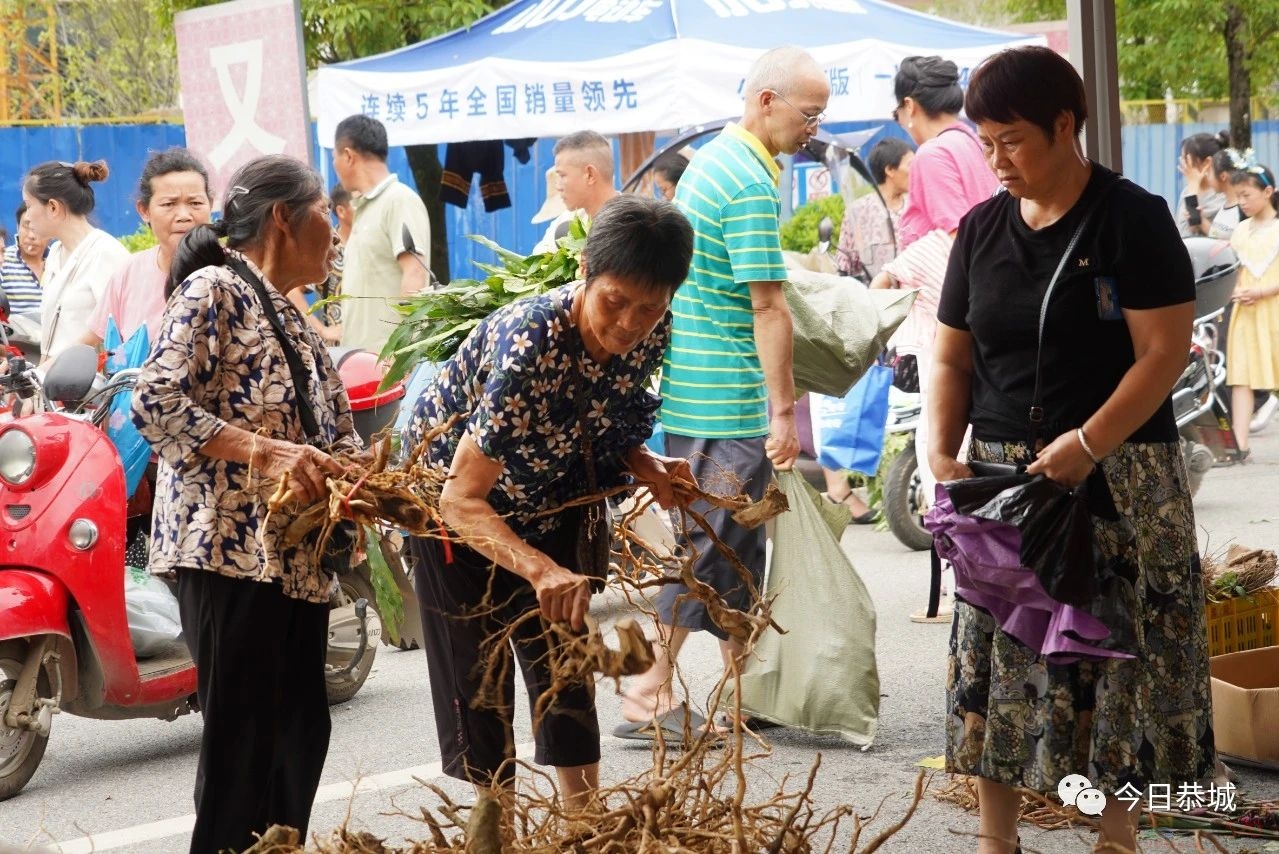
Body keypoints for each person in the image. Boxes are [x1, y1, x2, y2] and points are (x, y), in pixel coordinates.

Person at [932, 46, 1215, 854]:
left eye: (1011, 140)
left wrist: (1088, 443)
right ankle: (997, 837)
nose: (995, 161)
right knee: (998, 643)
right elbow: (950, 356)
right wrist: (941, 454)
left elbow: (1161, 353)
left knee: (1123, 648)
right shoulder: (980, 228)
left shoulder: (1131, 217)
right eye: (983, 141)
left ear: (1065, 125)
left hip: (1117, 469)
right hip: (1001, 475)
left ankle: (1116, 838)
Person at [403, 194, 694, 806]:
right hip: (457, 518)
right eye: (615, 302)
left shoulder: (651, 327)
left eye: (649, 308)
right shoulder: (529, 346)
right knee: (479, 687)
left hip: (555, 502)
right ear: (585, 268)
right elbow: (461, 498)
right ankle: (495, 837)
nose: (628, 324)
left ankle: (586, 830)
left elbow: (605, 421)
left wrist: (649, 464)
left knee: (566, 676)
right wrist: (539, 568)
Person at [131, 154, 360, 854]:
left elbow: (339, 431)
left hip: (292, 564)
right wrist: (264, 452)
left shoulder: (291, 317)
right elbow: (154, 402)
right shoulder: (214, 291)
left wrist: (367, 483)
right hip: (227, 556)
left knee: (299, 735)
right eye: (327, 212)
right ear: (286, 217)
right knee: (242, 752)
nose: (337, 231)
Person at [619, 45, 827, 736]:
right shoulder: (746, 182)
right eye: (808, 113)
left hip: (694, 390)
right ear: (765, 101)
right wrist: (782, 412)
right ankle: (642, 692)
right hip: (727, 396)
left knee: (732, 547)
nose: (813, 129)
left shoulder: (715, 160)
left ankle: (748, 691)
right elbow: (767, 308)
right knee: (708, 550)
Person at [876, 55, 998, 622]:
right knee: (970, 441)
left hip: (944, 321)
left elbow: (955, 240)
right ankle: (977, 575)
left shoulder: (933, 153)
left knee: (940, 450)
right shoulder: (975, 143)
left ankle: (963, 585)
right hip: (981, 315)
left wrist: (896, 268)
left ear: (908, 105)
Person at [83, 148, 211, 349]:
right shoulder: (128, 273)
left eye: (195, 203)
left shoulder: (233, 275)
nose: (184, 215)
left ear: (210, 205)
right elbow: (98, 343)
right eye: (169, 204)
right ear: (144, 211)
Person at [331, 114, 431, 354]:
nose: (335, 164)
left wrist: (399, 354)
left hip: (387, 364)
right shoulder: (365, 208)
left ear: (348, 156)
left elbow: (415, 272)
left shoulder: (399, 200)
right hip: (362, 362)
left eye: (335, 156)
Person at [21, 160, 130, 362]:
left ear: (53, 207)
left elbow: (117, 331)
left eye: (29, 206)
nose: (27, 217)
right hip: (55, 384)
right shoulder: (55, 252)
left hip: (94, 387)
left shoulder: (106, 253)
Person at [1225, 164, 1279, 457]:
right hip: (1246, 312)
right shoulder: (1241, 230)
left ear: (1268, 192)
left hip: (1273, 310)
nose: (1242, 202)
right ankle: (1240, 444)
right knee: (1242, 377)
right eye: (1238, 197)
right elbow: (1234, 269)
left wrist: (1261, 291)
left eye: (1246, 195)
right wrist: (1235, 291)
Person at [835, 137, 913, 281]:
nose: (916, 170)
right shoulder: (858, 211)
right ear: (890, 170)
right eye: (910, 165)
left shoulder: (916, 207)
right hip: (876, 298)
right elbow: (845, 266)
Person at [531, 131, 619, 254]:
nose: (558, 186)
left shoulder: (635, 222)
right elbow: (538, 261)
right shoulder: (566, 223)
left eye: (562, 175)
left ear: (589, 175)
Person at [1176, 130, 1230, 237]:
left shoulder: (1221, 193)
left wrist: (1193, 186)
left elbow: (1195, 223)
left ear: (1207, 162)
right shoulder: (1187, 191)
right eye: (1182, 158)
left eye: (1187, 159)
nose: (1183, 164)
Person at [0, 204, 50, 316]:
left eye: (38, 228)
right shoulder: (3, 260)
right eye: (26, 226)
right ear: (17, 227)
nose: (32, 235)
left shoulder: (61, 262)